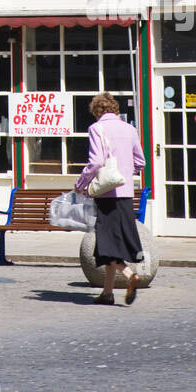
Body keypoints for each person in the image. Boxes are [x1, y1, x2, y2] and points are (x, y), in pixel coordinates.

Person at [76, 92, 146, 307]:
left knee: (107, 245)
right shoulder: (130, 129)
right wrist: (123, 173)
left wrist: (81, 183)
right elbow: (140, 162)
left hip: (106, 194)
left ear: (97, 111)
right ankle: (107, 294)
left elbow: (96, 162)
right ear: (114, 108)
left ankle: (128, 274)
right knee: (113, 241)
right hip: (125, 193)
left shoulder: (97, 129)